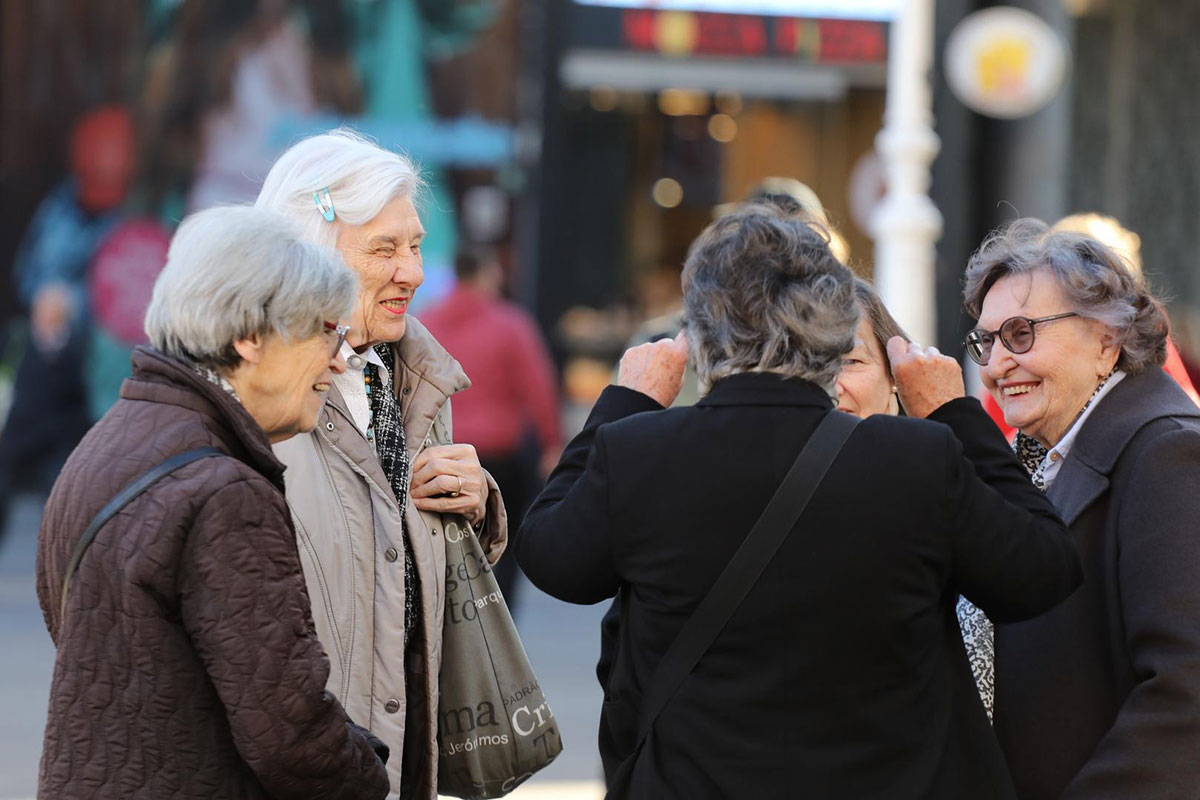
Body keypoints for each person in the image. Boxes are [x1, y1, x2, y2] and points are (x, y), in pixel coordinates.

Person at [517, 205, 1081, 798]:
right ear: (834, 328)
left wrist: (623, 403)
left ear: (705, 330)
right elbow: (1043, 569)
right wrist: (955, 412)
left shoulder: (639, 453)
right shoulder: (915, 460)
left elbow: (552, 556)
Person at [34, 206, 389, 799]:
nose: (335, 358)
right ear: (249, 337)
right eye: (323, 329)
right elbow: (290, 732)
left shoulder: (109, 441)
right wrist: (370, 778)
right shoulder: (225, 493)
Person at [256, 130, 507, 799]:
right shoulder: (249, 391)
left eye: (417, 244)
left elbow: (391, 563)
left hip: (391, 767)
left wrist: (472, 505)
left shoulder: (404, 376)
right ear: (312, 252)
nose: (414, 272)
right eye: (386, 249)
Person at [962, 218, 1200, 799]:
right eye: (986, 341)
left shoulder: (1170, 453)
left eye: (1020, 334)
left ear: (1105, 339)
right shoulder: (1040, 454)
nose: (995, 365)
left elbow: (1185, 690)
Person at [0, 106, 134, 536]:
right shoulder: (62, 204)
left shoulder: (141, 213)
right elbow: (29, 274)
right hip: (51, 358)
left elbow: (135, 290)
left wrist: (77, 304)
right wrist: (46, 298)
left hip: (107, 366)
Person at [419, 247, 561, 609]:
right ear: (486, 275)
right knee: (504, 546)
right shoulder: (510, 324)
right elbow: (538, 386)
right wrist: (552, 442)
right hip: (499, 454)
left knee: (441, 548)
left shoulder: (424, 323)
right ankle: (496, 620)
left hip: (438, 453)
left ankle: (448, 625)